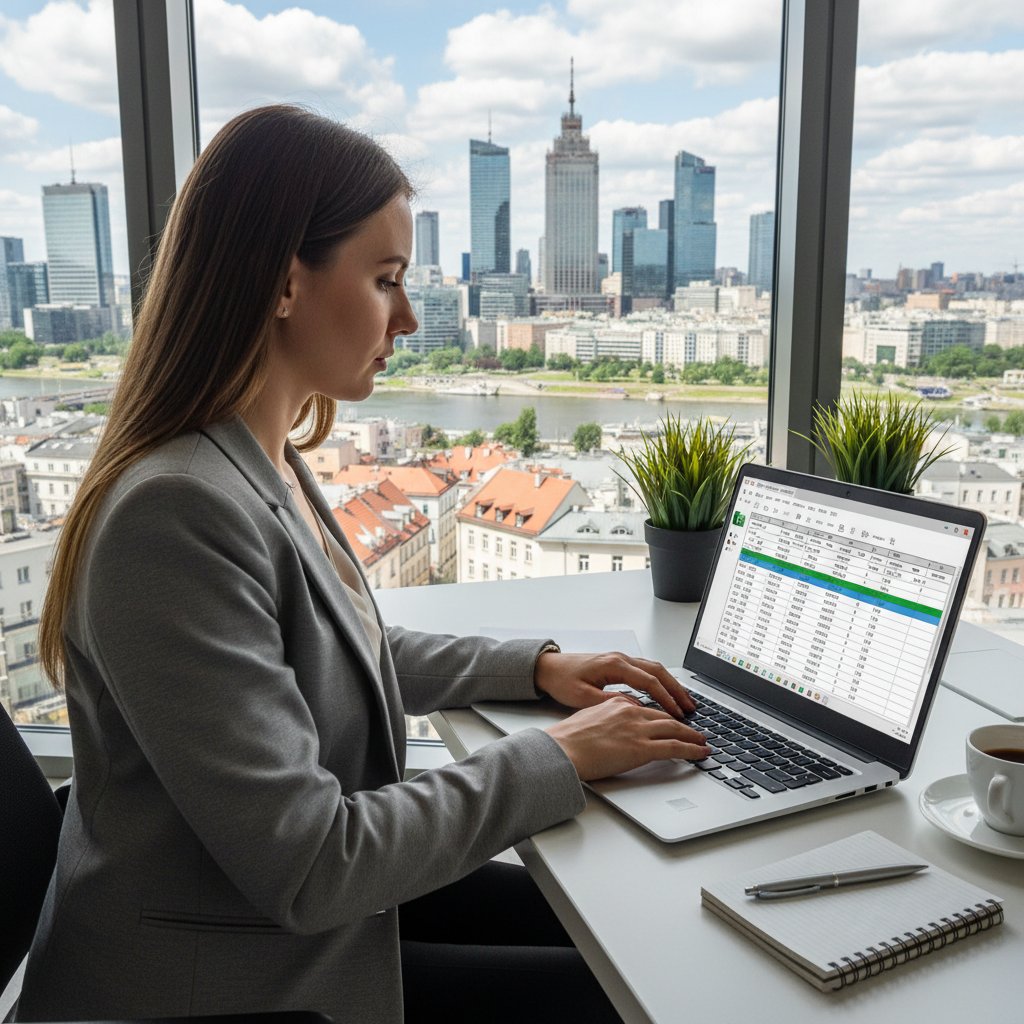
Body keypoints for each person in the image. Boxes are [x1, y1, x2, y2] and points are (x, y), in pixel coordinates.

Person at [17, 105, 709, 1024]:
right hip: (225, 984)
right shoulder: (173, 512)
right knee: (635, 995)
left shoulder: (257, 456)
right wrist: (558, 758)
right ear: (281, 284)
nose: (412, 317)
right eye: (385, 280)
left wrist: (535, 669)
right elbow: (312, 863)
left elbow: (331, 647)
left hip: (268, 924)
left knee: (627, 937)